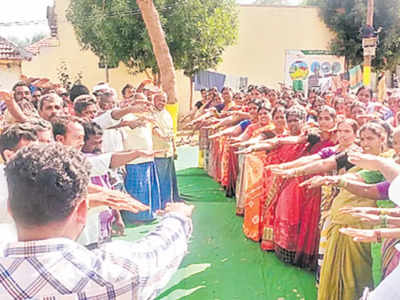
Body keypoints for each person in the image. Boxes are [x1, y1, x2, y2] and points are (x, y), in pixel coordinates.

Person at [0, 143, 194, 299]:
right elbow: (159, 251)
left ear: (10, 208)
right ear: (84, 209)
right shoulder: (113, 272)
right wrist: (177, 215)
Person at [152, 92, 181, 204]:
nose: (162, 103)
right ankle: (162, 203)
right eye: (159, 100)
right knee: (161, 180)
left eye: (164, 100)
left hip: (168, 152)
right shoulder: (151, 114)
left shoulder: (167, 114)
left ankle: (170, 200)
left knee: (169, 180)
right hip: (158, 152)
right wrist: (163, 136)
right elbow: (154, 129)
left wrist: (174, 149)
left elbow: (171, 132)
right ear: (154, 101)